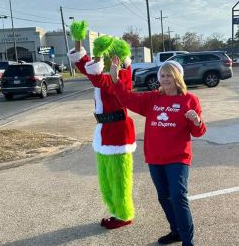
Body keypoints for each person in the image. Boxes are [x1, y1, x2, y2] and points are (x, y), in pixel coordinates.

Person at [110, 57, 206, 246]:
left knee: (178, 195)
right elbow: (128, 99)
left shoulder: (189, 100)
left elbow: (198, 132)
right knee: (164, 196)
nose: (165, 78)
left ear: (177, 77)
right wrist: (115, 79)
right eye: (162, 75)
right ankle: (176, 231)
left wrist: (196, 120)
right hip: (155, 157)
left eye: (169, 75)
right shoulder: (153, 98)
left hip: (178, 157)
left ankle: (188, 241)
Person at [67, 20, 137, 229]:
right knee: (106, 179)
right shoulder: (107, 74)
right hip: (105, 132)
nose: (105, 61)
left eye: (107, 56)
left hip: (118, 132)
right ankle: (115, 211)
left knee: (119, 178)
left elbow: (99, 80)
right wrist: (79, 41)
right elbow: (88, 69)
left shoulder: (122, 77)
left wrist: (97, 57)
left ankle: (124, 215)